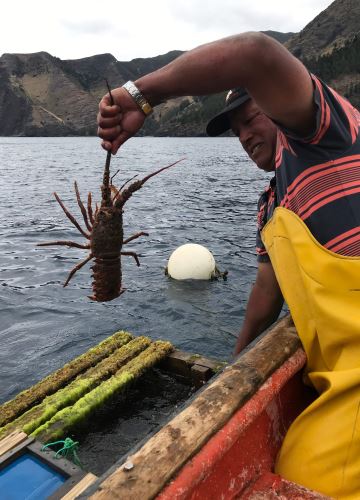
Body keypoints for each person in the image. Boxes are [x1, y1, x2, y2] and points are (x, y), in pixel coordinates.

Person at [97, 32, 360, 499]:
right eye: (235, 130)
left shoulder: (326, 133)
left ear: (278, 106)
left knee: (302, 475)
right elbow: (264, 293)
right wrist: (232, 369)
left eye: (251, 118)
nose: (244, 136)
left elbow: (254, 55)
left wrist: (141, 94)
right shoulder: (271, 204)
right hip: (340, 376)